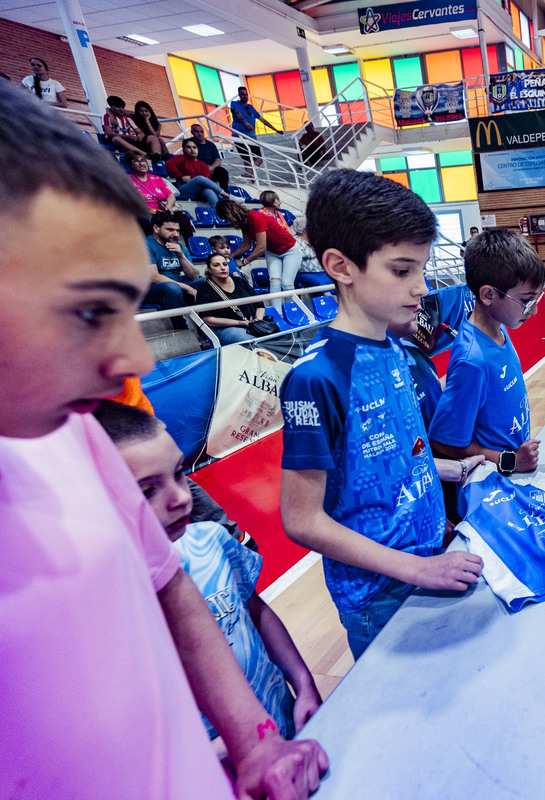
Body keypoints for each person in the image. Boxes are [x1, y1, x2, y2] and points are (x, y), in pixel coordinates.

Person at [0, 78, 327, 800]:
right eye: (90, 312)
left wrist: (254, 742)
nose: (137, 361)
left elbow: (170, 582)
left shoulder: (75, 436)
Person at [278, 169, 485, 660]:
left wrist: (457, 469)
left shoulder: (396, 348)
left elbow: (398, 459)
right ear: (341, 266)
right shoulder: (316, 377)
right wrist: (414, 570)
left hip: (436, 554)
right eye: (402, 270)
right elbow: (301, 519)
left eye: (422, 269)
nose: (421, 287)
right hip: (378, 593)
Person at [92, 400, 323, 740]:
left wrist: (302, 682)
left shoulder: (210, 540)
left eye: (179, 474)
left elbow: (254, 610)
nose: (181, 498)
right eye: (148, 490)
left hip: (287, 725)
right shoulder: (102, 608)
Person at [429, 227, 545, 475]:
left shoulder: (499, 329)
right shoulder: (473, 361)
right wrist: (510, 460)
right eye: (526, 301)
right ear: (489, 294)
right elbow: (443, 442)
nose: (533, 311)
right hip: (493, 482)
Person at [218, 197, 299, 304]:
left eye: (226, 218)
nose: (227, 221)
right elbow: (246, 245)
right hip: (273, 252)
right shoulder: (244, 224)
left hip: (290, 250)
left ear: (231, 214)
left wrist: (244, 262)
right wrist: (230, 257)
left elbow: (261, 247)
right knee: (274, 283)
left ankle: (292, 312)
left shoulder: (255, 217)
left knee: (287, 283)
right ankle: (277, 314)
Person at [194, 253, 265, 344]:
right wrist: (241, 323)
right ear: (209, 270)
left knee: (275, 337)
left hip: (252, 324)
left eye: (225, 264)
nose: (222, 268)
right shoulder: (204, 289)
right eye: (216, 265)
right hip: (225, 330)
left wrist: (258, 320)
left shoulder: (240, 281)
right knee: (256, 342)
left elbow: (259, 304)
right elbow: (210, 320)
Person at [145, 210, 202, 309]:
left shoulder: (179, 247)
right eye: (170, 230)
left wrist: (181, 256)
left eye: (177, 230)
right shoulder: (145, 244)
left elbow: (194, 276)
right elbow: (153, 277)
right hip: (151, 290)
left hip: (178, 287)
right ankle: (180, 324)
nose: (176, 234)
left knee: (208, 281)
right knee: (172, 288)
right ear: (156, 228)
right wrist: (187, 288)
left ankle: (210, 318)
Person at [230, 86, 281, 177]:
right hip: (239, 136)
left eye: (246, 94)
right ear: (239, 95)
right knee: (247, 159)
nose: (245, 96)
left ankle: (247, 175)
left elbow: (262, 120)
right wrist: (246, 122)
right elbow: (237, 113)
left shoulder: (250, 107)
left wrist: (276, 129)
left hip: (251, 137)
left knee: (258, 159)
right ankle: (251, 179)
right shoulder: (235, 104)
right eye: (243, 94)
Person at [166, 138, 230, 209]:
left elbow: (206, 178)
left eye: (194, 147)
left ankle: (217, 216)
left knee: (209, 191)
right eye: (188, 147)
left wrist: (191, 177)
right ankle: (227, 196)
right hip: (184, 188)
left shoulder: (202, 164)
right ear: (184, 149)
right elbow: (169, 164)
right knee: (199, 178)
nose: (192, 149)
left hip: (200, 189)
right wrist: (180, 176)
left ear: (197, 149)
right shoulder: (180, 158)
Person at [189, 122, 231, 191]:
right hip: (198, 169)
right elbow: (190, 158)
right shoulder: (189, 143)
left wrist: (212, 167)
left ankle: (225, 193)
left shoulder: (210, 144)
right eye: (196, 131)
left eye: (201, 132)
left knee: (223, 172)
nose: (199, 133)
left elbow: (218, 159)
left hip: (211, 169)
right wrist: (205, 168)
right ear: (192, 132)